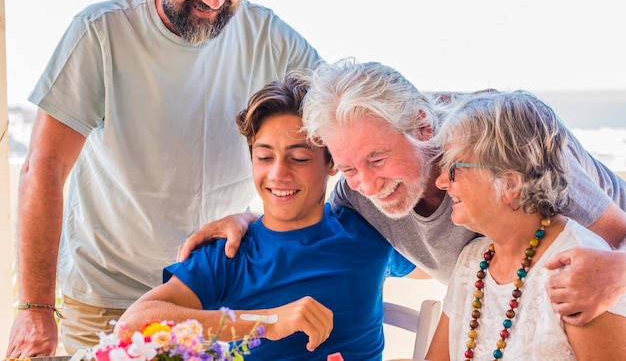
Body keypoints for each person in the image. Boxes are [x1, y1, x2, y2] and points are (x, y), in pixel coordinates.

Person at [6, 0, 323, 357]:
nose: (214, 0)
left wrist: (255, 216)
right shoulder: (102, 31)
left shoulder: (270, 39)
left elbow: (340, 116)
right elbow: (43, 168)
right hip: (107, 297)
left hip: (208, 296)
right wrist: (35, 307)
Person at [180, 58, 626, 327]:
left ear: (423, 126)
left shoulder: (501, 141)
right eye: (349, 168)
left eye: (378, 160)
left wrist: (616, 272)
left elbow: (615, 234)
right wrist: (247, 220)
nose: (369, 185)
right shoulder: (356, 195)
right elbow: (313, 229)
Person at [116, 71, 416, 360]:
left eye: (298, 158)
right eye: (264, 157)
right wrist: (267, 321)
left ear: (332, 162)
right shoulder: (229, 251)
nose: (277, 174)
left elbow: (436, 266)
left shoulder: (366, 231)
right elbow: (131, 325)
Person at [424, 90, 626, 359]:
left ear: (510, 183)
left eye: (452, 168)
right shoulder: (473, 261)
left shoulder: (577, 271)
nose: (441, 182)